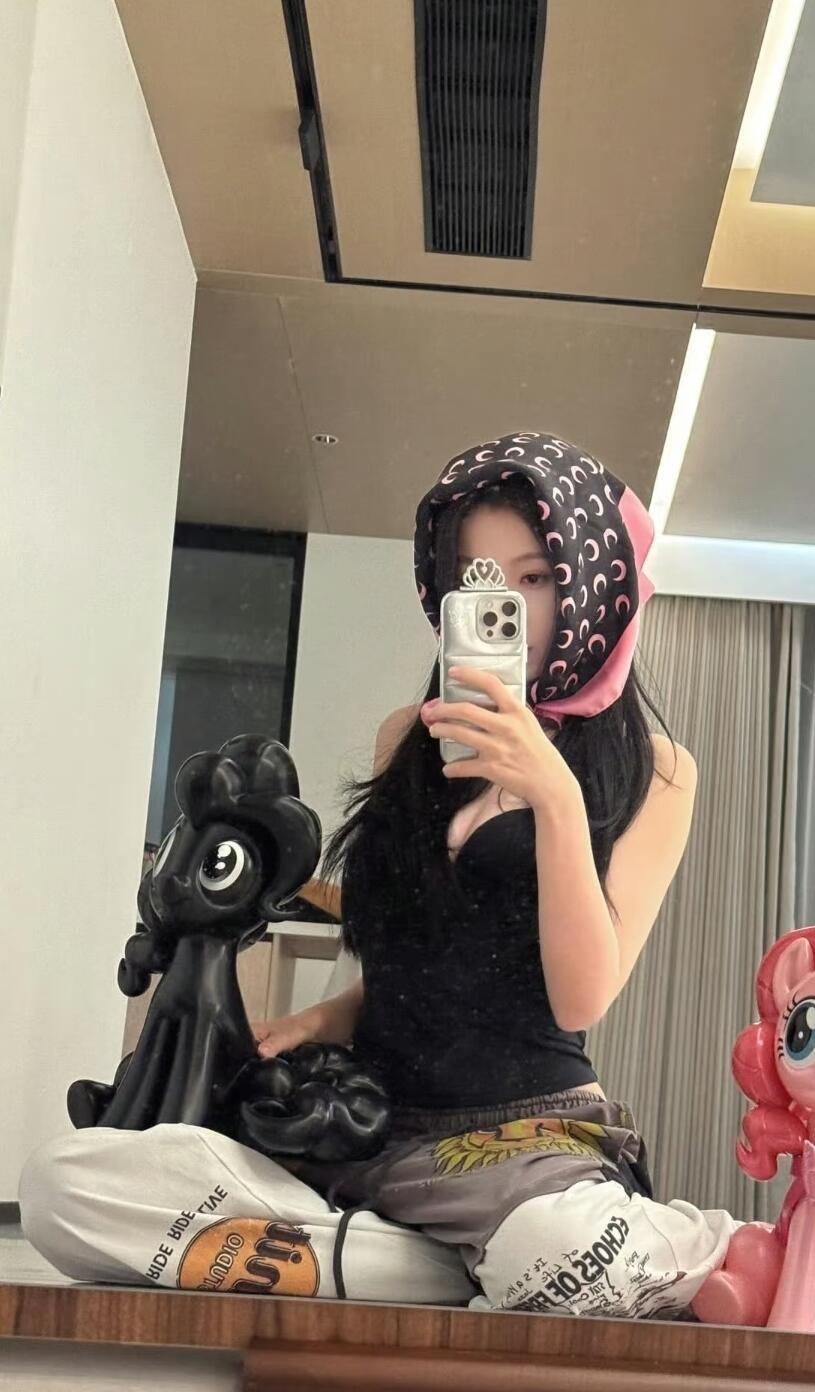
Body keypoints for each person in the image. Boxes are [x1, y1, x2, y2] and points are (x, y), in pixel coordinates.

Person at [20, 433, 737, 1317]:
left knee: (554, 1251)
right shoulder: (409, 736)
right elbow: (406, 956)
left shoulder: (657, 770)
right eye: (476, 578)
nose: (505, 603)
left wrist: (552, 795)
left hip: (524, 1147)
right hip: (361, 1125)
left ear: (589, 584)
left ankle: (574, 1249)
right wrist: (321, 1019)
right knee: (65, 1185)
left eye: (534, 577)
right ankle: (439, 1267)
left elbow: (581, 995)